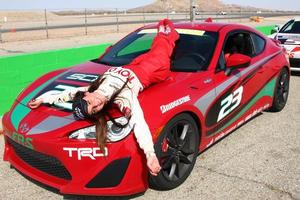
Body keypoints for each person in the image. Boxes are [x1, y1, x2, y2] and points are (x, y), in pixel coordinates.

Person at [29, 19, 179, 176]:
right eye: (95, 110)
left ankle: (165, 37)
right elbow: (139, 124)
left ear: (86, 94)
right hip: (153, 70)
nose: (97, 104)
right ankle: (167, 35)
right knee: (161, 49)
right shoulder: (123, 98)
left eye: (90, 103)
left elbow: (64, 95)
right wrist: (150, 154)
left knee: (156, 49)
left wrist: (42, 99)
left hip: (133, 64)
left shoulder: (91, 87)